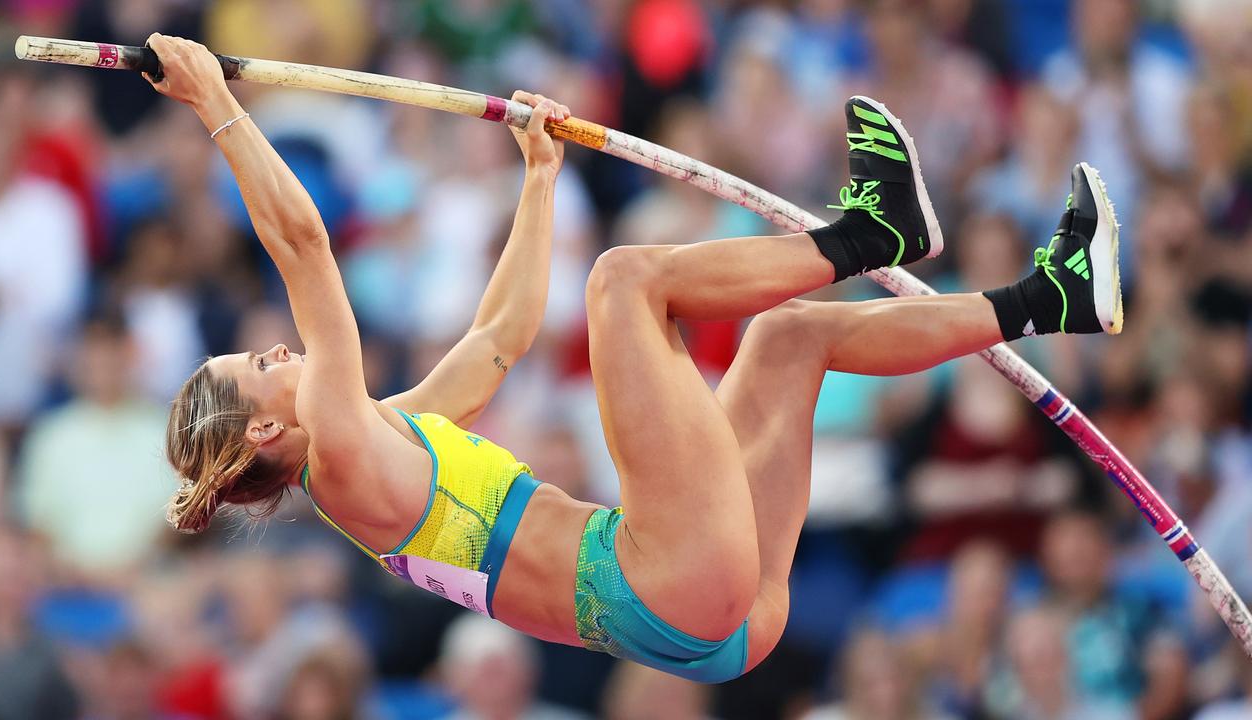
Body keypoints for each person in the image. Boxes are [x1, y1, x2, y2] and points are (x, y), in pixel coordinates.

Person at [151, 32, 1122, 684]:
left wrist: (538, 181)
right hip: (666, 580)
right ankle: (873, 234)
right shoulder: (343, 457)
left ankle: (1053, 296)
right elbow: (304, 246)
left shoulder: (376, 446)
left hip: (721, 626)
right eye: (260, 364)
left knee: (789, 341)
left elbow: (497, 344)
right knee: (622, 282)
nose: (280, 350)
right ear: (269, 424)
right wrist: (215, 109)